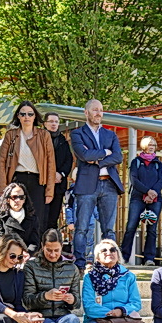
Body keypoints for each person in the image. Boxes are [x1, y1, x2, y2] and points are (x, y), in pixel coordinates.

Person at [70, 99, 124, 264]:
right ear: (86, 113)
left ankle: (109, 263)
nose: (99, 113)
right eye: (95, 110)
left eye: (101, 110)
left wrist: (98, 160)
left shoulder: (110, 134)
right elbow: (84, 156)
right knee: (82, 228)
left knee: (109, 229)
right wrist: (105, 153)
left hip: (109, 185)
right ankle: (80, 262)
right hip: (87, 185)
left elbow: (118, 157)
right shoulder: (77, 133)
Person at [0, 101, 58, 242]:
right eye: (23, 113)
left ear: (34, 116)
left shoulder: (43, 135)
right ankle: (14, 252)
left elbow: (51, 164)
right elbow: (1, 163)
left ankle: (34, 255)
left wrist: (49, 190)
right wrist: (3, 189)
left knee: (37, 220)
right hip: (17, 180)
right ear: (18, 116)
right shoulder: (11, 135)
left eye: (30, 114)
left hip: (37, 181)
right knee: (15, 217)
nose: (26, 117)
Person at [122, 134, 162, 266]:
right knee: (131, 226)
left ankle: (149, 258)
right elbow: (134, 180)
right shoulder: (136, 162)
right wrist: (147, 192)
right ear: (144, 147)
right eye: (149, 145)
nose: (151, 148)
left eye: (153, 145)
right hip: (138, 198)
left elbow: (160, 180)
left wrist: (152, 194)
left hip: (155, 199)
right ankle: (124, 257)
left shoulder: (158, 163)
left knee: (152, 228)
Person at [42, 109, 75, 237]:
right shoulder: (39, 139)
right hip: (43, 184)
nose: (54, 124)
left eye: (56, 121)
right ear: (45, 123)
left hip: (58, 184)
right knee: (42, 217)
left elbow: (68, 159)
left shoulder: (62, 140)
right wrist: (51, 174)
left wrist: (60, 174)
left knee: (53, 218)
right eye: (51, 121)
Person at [0, 182, 43, 253]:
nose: (18, 200)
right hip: (5, 255)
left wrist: (27, 253)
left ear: (24, 200)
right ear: (8, 199)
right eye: (14, 197)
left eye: (21, 197)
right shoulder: (0, 217)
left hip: (26, 256)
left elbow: (34, 243)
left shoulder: (32, 218)